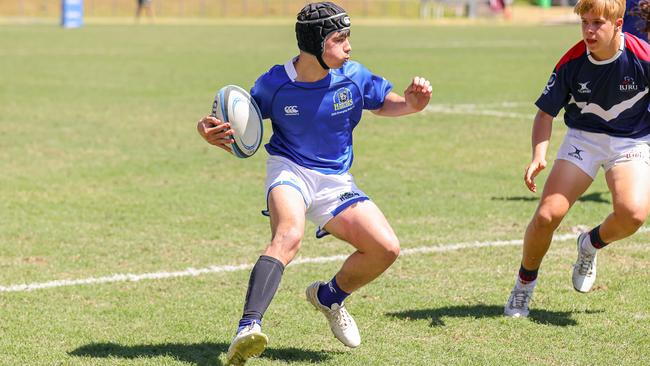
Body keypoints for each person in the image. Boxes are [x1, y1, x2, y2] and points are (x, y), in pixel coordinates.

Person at [196, 2, 432, 364]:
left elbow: (386, 102)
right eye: (340, 39)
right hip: (289, 169)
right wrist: (209, 130)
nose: (349, 47)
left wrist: (412, 104)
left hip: (335, 180)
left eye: (348, 38)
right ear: (316, 44)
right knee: (289, 235)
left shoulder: (353, 76)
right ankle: (247, 328)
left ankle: (329, 297)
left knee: (386, 248)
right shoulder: (275, 83)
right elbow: (237, 120)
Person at [504, 0, 650, 318]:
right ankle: (523, 287)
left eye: (597, 23)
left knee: (633, 214)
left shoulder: (642, 57)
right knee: (546, 216)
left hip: (631, 141)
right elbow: (545, 113)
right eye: (584, 22)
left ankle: (590, 244)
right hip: (584, 138)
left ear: (618, 24)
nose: (589, 30)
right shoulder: (572, 61)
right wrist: (538, 156)